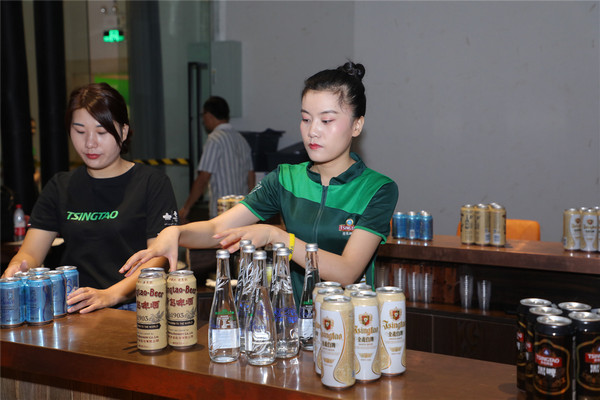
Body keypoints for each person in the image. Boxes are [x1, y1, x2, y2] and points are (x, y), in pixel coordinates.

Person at [122, 62, 399, 307]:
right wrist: (176, 233)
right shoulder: (285, 179)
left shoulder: (377, 189)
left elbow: (347, 271)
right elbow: (218, 229)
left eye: (326, 120)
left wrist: (277, 236)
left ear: (356, 125)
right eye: (305, 119)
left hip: (349, 327)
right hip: (293, 324)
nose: (312, 131)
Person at [2, 82, 178, 313]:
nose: (90, 143)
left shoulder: (151, 183)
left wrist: (111, 295)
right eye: (80, 131)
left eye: (101, 132)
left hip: (137, 309)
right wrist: (17, 267)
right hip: (75, 308)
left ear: (124, 132)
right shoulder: (60, 187)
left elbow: (158, 258)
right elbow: (31, 252)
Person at [179, 96, 255, 222]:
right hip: (242, 212)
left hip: (222, 212)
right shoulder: (241, 139)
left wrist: (186, 207)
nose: (203, 121)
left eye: (203, 116)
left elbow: (203, 177)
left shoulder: (214, 139)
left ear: (208, 115)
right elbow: (251, 175)